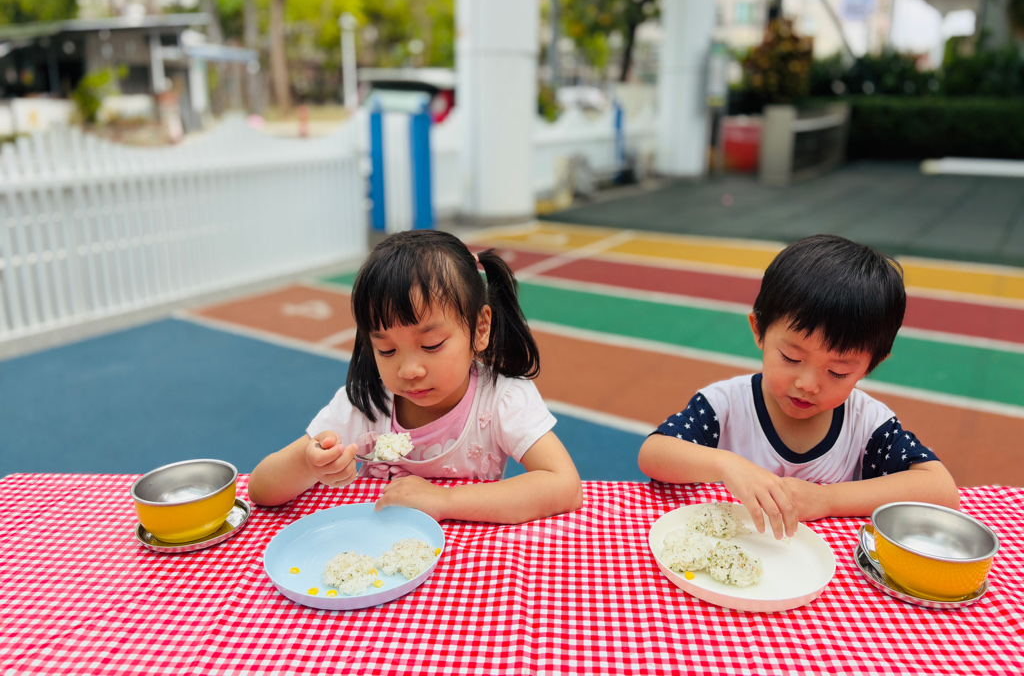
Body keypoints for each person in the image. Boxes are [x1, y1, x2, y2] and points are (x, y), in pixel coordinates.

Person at [248, 229, 583, 524]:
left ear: (480, 328)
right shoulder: (367, 404)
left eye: (431, 345)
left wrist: (444, 500)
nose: (408, 370)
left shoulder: (501, 399)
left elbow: (564, 486)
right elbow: (261, 490)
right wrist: (308, 464)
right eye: (387, 350)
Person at [637, 234, 959, 539]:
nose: (808, 384)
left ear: (870, 365)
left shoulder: (867, 425)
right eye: (791, 358)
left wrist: (827, 499)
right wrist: (727, 464)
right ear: (759, 330)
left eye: (838, 372)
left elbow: (941, 490)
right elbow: (653, 454)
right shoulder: (726, 406)